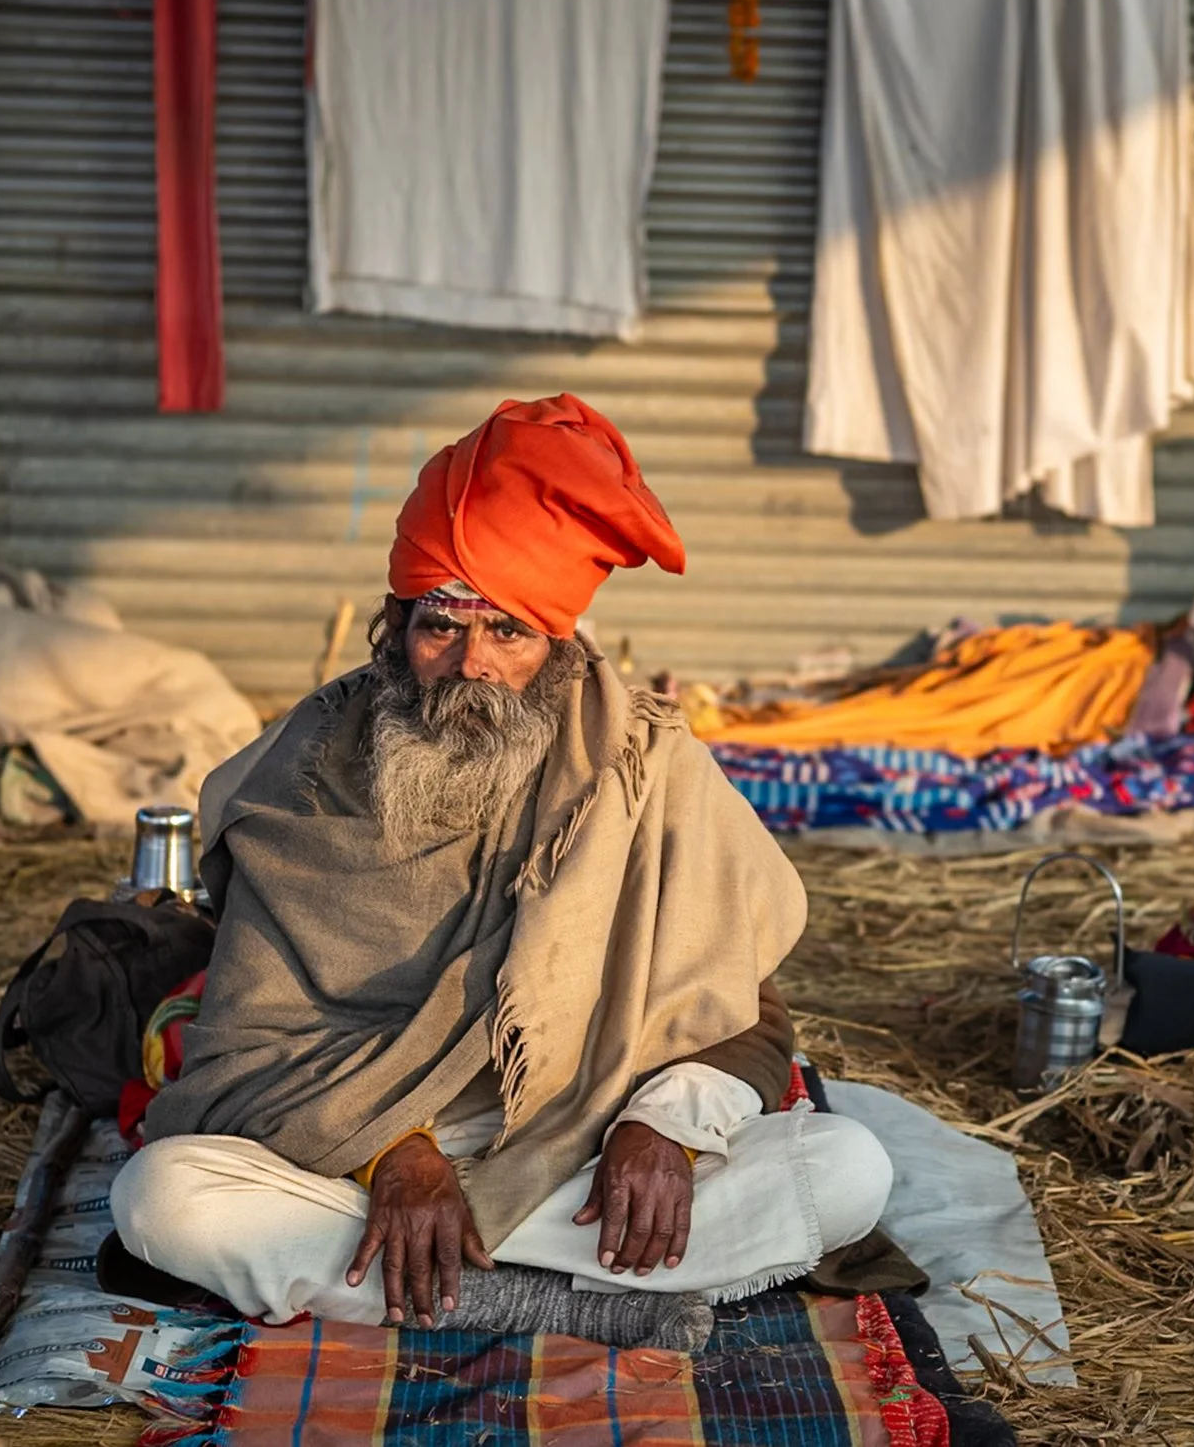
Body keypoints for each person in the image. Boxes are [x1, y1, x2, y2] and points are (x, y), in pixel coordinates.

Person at [106, 395, 892, 1348]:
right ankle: (553, 1301)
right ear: (393, 625)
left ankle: (430, 1283)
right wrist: (394, 1154)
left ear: (559, 644)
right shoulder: (303, 776)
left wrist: (663, 1130)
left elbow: (743, 1015)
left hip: (585, 1143)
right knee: (164, 1198)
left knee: (849, 1168)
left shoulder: (645, 765)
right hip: (349, 1150)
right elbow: (252, 1043)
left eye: (509, 632)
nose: (471, 664)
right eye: (441, 625)